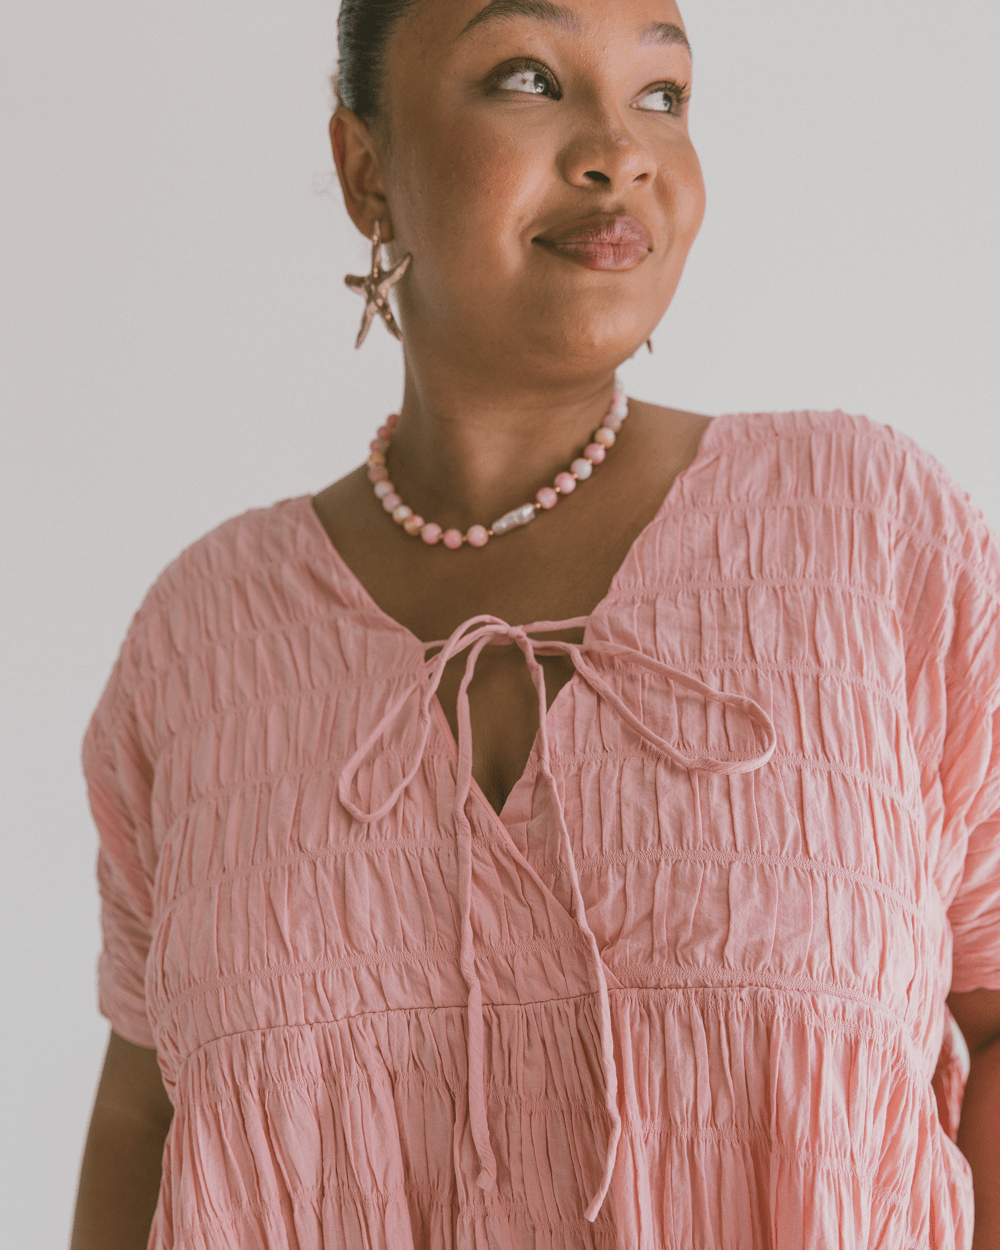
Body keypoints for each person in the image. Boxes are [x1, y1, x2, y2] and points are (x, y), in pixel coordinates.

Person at [70, 1, 1000, 1247]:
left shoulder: (872, 534)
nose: (621, 151)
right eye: (526, 77)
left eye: (662, 94)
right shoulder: (201, 641)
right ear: (365, 169)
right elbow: (143, 1110)